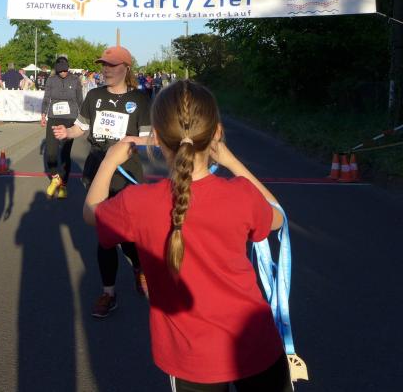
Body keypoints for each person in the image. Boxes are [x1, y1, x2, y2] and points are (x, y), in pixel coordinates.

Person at [83, 80, 292, 391]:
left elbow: (92, 212)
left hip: (191, 357)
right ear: (217, 132)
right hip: (255, 342)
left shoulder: (137, 203)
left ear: (156, 137)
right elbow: (276, 217)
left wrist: (109, 161)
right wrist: (231, 160)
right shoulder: (242, 195)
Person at [52, 45, 151, 318]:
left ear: (126, 69)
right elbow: (81, 127)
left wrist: (127, 143)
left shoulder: (139, 99)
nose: (106, 70)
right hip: (97, 169)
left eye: (112, 65)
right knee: (105, 234)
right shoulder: (94, 96)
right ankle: (109, 293)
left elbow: (149, 139)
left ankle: (139, 267)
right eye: (104, 65)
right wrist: (67, 133)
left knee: (128, 232)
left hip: (127, 172)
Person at [41, 56, 83, 199]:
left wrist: (83, 120)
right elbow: (46, 98)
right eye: (60, 71)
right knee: (51, 153)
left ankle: (63, 184)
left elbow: (80, 100)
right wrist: (43, 114)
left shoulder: (75, 80)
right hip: (54, 118)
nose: (63, 73)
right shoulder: (51, 80)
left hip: (70, 119)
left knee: (65, 153)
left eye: (65, 70)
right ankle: (55, 177)